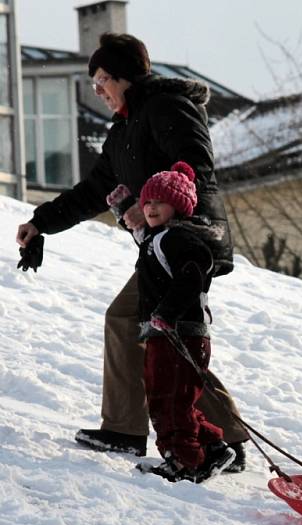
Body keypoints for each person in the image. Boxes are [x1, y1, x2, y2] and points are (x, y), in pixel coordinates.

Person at [14, 33, 248, 470]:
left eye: (103, 79)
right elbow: (94, 190)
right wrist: (41, 221)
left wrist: (155, 202)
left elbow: (195, 164)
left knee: (135, 322)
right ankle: (226, 437)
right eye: (94, 82)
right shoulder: (124, 128)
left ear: (126, 78)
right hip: (163, 244)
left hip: (189, 239)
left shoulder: (166, 106)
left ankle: (127, 429)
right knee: (174, 334)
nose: (98, 90)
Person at [134, 162, 235, 482]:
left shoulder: (177, 238)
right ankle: (211, 447)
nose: (150, 208)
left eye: (159, 203)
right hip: (169, 332)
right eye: (147, 202)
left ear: (177, 207)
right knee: (172, 397)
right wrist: (123, 205)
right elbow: (140, 234)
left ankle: (185, 461)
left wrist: (167, 313)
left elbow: (196, 268)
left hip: (181, 333)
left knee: (170, 400)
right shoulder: (160, 237)